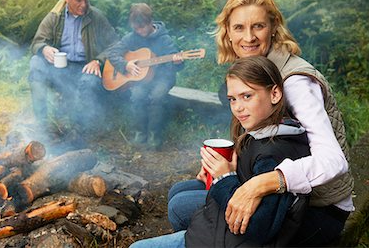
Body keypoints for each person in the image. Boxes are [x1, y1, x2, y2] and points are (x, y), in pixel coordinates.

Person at [167, 0, 354, 246]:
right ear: (228, 34)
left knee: (180, 206)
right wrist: (227, 164)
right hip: (282, 192)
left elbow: (334, 161)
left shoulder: (295, 82)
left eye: (258, 26)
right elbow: (264, 139)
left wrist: (263, 183)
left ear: (273, 28)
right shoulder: (251, 70)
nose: (249, 38)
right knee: (180, 191)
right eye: (239, 28)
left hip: (317, 208)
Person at [131, 56, 312, 247]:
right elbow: (249, 175)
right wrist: (223, 171)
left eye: (247, 96)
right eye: (232, 99)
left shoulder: (275, 153)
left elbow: (257, 227)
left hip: (234, 240)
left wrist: (224, 177)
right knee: (179, 191)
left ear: (275, 94)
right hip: (220, 229)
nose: (238, 107)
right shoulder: (264, 130)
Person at [28, 0, 118, 134]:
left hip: (85, 67)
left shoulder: (96, 17)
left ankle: (78, 129)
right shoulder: (55, 17)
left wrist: (98, 61)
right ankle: (42, 123)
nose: (83, 5)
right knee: (36, 63)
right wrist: (44, 49)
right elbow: (36, 42)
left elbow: (116, 45)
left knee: (89, 82)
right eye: (78, 1)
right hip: (61, 68)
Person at [106, 3, 183, 149]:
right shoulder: (131, 37)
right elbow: (113, 53)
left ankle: (154, 136)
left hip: (163, 78)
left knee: (157, 96)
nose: (139, 31)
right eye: (136, 28)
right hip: (142, 79)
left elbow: (179, 66)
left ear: (150, 22)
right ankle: (139, 133)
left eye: (142, 27)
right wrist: (126, 65)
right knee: (137, 94)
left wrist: (177, 62)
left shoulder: (164, 39)